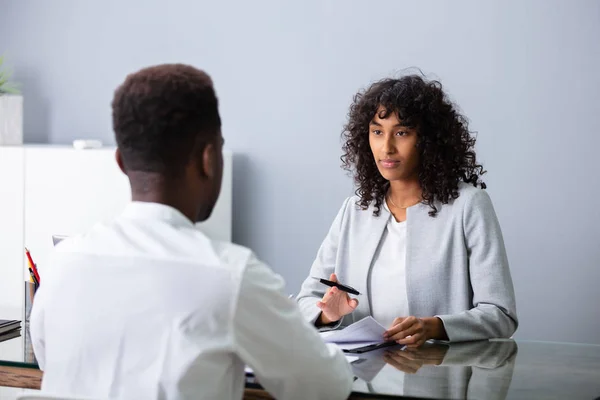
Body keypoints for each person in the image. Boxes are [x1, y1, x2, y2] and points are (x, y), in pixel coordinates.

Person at [29, 64, 353, 400]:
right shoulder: (231, 275)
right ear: (208, 158)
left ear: (121, 162)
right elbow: (327, 385)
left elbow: (46, 361)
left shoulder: (62, 263)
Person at [297, 75, 518, 347]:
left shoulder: (468, 206)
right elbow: (307, 299)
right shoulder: (354, 210)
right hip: (361, 377)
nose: (386, 147)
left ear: (428, 140)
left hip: (435, 377)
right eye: (377, 131)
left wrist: (434, 326)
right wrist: (327, 315)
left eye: (401, 132)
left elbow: (501, 314)